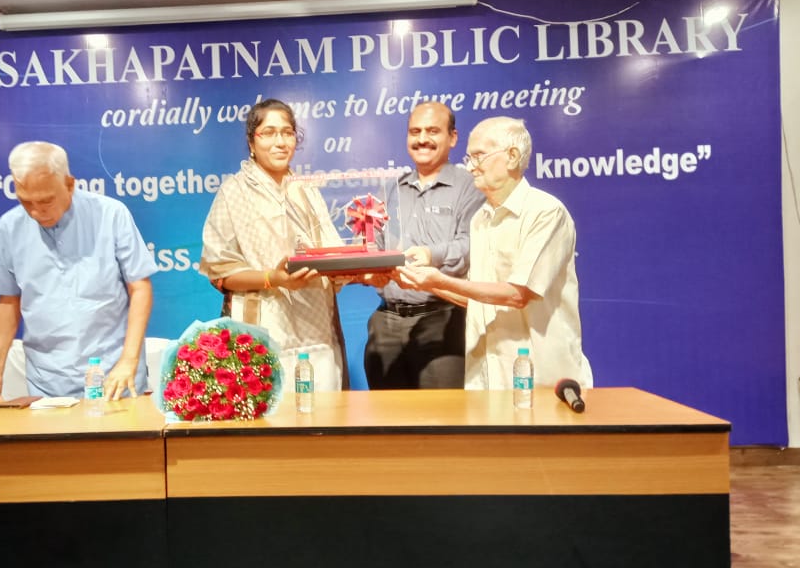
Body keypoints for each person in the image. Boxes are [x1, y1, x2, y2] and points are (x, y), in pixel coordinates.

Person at [396, 116, 593, 389]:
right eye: (468, 157)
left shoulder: (545, 212)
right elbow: (481, 300)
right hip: (488, 379)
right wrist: (420, 280)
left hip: (543, 380)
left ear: (512, 156)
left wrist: (438, 280)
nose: (470, 166)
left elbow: (517, 294)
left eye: (479, 156)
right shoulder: (480, 219)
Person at [0, 141, 157, 402]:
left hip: (115, 377)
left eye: (46, 201)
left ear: (70, 184)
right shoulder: (9, 227)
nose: (36, 212)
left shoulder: (111, 215)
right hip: (47, 381)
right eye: (26, 202)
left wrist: (128, 361)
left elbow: (140, 288)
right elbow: (8, 303)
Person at [200, 98, 348, 390]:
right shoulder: (233, 193)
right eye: (268, 133)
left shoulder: (307, 191)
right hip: (262, 326)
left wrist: (363, 270)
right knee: (269, 428)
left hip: (315, 326)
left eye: (288, 132)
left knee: (322, 424)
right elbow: (220, 274)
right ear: (252, 143)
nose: (280, 142)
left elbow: (334, 255)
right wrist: (274, 279)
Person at [363, 101, 484, 389]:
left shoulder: (471, 186)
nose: (422, 139)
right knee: (385, 423)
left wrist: (432, 255)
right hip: (386, 322)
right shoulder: (389, 188)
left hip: (442, 320)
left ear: (452, 137)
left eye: (432, 131)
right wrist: (363, 266)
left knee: (443, 426)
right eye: (414, 131)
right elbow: (373, 245)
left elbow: (471, 245)